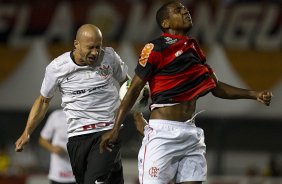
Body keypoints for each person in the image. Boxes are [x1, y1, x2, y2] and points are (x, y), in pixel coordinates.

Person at [99, 1, 273, 184]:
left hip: (191, 134)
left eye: (185, 9)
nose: (185, 11)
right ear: (165, 23)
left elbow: (215, 86)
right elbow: (134, 88)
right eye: (178, 10)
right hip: (162, 135)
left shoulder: (194, 49)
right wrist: (115, 128)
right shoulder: (155, 47)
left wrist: (254, 94)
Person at [15, 24, 129, 184]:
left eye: (98, 46)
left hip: (107, 131)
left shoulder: (109, 57)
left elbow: (128, 86)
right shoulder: (57, 67)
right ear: (76, 44)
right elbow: (42, 101)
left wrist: (136, 115)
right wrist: (27, 132)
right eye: (90, 47)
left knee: (95, 181)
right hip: (77, 138)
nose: (95, 52)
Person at [39, 109, 76, 184]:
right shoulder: (56, 116)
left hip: (79, 173)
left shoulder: (86, 116)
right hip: (58, 174)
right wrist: (53, 148)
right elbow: (42, 140)